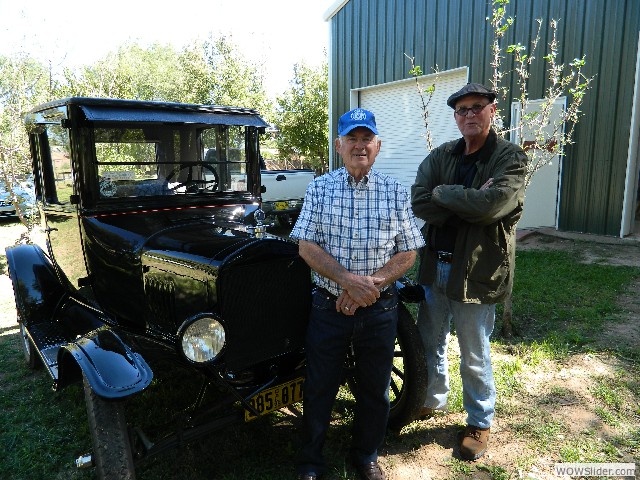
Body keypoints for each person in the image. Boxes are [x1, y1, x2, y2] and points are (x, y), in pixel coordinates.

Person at [291, 108, 425, 480]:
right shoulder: (319, 188)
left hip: (379, 309)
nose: (360, 146)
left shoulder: (395, 191)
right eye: (352, 138)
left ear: (378, 146)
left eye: (367, 139)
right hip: (328, 306)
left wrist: (372, 284)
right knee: (319, 387)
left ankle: (366, 456)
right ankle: (311, 463)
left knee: (375, 389)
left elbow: (409, 251)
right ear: (339, 145)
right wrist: (348, 280)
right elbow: (306, 247)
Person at [410, 83, 528, 461]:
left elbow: (493, 205)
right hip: (435, 266)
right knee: (431, 342)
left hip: (476, 271)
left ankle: (479, 420)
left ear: (493, 110)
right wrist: (467, 199)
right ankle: (432, 399)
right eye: (462, 110)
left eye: (478, 107)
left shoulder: (510, 158)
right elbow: (418, 200)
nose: (470, 115)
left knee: (474, 352)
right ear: (455, 117)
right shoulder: (441, 154)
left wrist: (444, 193)